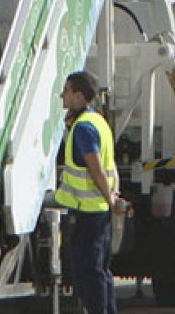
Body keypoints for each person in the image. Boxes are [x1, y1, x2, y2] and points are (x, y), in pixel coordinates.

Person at [55, 71, 125, 314]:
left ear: (79, 95)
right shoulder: (98, 121)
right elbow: (110, 166)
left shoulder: (84, 128)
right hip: (98, 212)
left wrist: (110, 199)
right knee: (101, 272)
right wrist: (113, 196)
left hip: (87, 214)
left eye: (66, 91)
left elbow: (96, 169)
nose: (62, 95)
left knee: (88, 274)